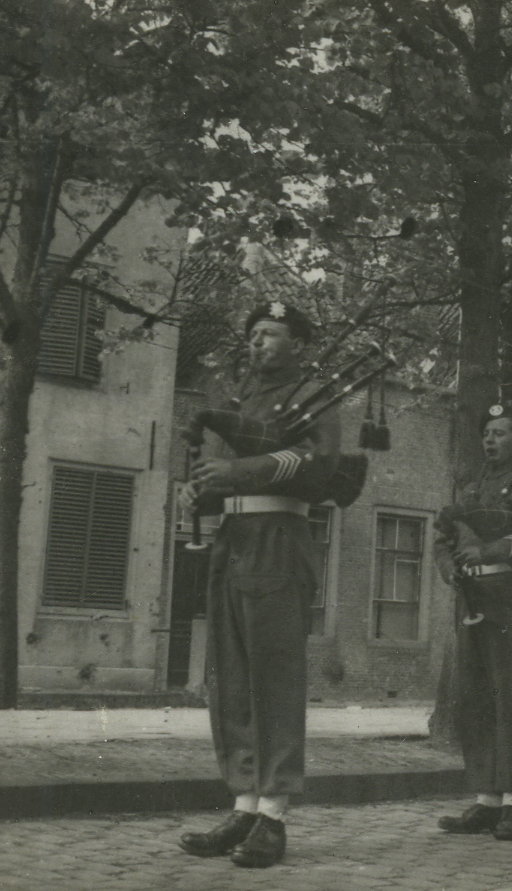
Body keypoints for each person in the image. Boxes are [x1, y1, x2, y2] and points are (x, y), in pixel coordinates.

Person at [176, 302, 340, 868]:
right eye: (252, 334)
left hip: (278, 537)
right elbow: (216, 472)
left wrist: (237, 474)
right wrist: (197, 491)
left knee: (273, 680)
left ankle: (274, 815)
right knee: (232, 680)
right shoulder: (237, 402)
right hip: (233, 539)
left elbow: (318, 463)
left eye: (270, 333)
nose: (257, 342)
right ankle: (244, 803)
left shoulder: (314, 397)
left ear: (298, 344)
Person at [432, 404, 512, 841]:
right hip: (471, 602)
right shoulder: (470, 486)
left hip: (511, 603)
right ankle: (486, 801)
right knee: (475, 700)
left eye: (500, 433)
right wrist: (449, 570)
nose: (490, 440)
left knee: (511, 702)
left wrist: (492, 551)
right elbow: (443, 541)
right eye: (487, 432)